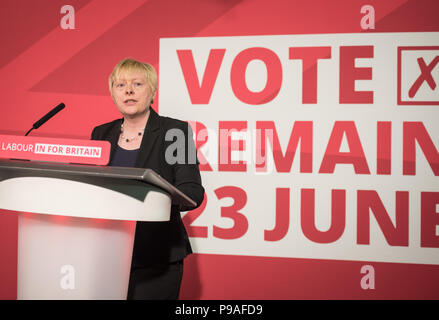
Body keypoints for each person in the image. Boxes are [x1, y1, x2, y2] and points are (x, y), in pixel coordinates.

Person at [90, 58, 204, 300]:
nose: (128, 90)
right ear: (112, 93)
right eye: (120, 85)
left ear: (152, 92)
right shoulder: (101, 134)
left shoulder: (176, 132)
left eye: (137, 84)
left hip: (157, 257)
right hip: (106, 254)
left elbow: (192, 192)